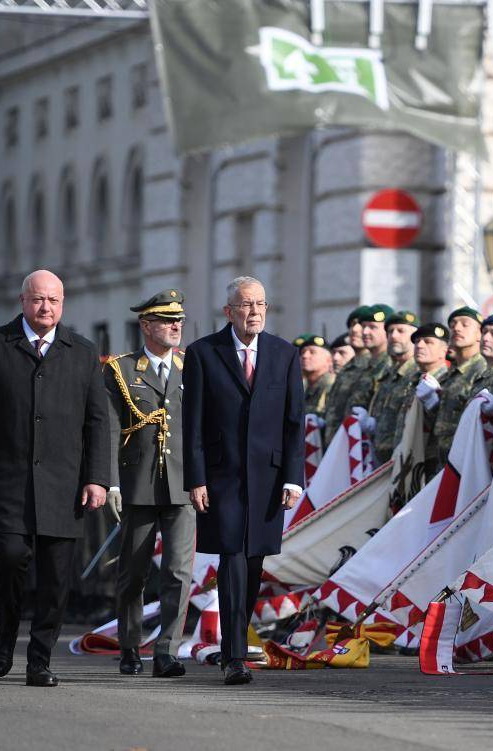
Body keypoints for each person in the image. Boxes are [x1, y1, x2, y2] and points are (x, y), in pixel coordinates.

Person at [0, 269, 110, 688]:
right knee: (9, 559)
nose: (46, 307)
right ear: (23, 301)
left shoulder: (82, 351)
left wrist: (97, 478)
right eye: (39, 299)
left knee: (57, 579)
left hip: (64, 485)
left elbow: (97, 422)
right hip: (7, 482)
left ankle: (39, 659)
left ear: (63, 304)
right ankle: (6, 632)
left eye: (54, 300)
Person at [182, 275, 304, 686]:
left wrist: (293, 479)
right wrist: (196, 478)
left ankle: (236, 636)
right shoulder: (203, 353)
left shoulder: (284, 354)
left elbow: (294, 422)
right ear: (229, 311)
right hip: (222, 477)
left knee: (254, 563)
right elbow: (193, 422)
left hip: (269, 478)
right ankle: (234, 656)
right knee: (232, 558)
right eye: (246, 305)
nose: (255, 312)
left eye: (260, 304)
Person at [104, 289, 194, 678]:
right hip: (137, 483)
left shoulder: (191, 367)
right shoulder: (121, 369)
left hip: (183, 483)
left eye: (179, 320)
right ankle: (129, 645)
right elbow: (110, 430)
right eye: (167, 320)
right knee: (134, 572)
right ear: (145, 325)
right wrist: (110, 483)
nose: (176, 326)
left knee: (179, 571)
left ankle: (167, 651)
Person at [418, 307, 487, 476]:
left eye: (465, 324)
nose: (457, 328)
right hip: (442, 460)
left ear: (479, 334)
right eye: (453, 324)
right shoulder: (451, 374)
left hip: (465, 462)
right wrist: (433, 404)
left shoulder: (482, 368)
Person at [359, 310, 418, 464]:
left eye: (401, 331)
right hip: (380, 456)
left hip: (404, 458)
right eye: (390, 331)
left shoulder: (417, 372)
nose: (394, 336)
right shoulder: (389, 374)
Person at [322, 306, 370, 444]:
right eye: (352, 325)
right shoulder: (347, 368)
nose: (355, 329)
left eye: (361, 325)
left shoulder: (373, 366)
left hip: (358, 445)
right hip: (337, 444)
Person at [294, 334, 334, 417]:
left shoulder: (332, 385)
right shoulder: (302, 387)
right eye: (302, 353)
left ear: (329, 360)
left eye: (312, 352)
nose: (305, 356)